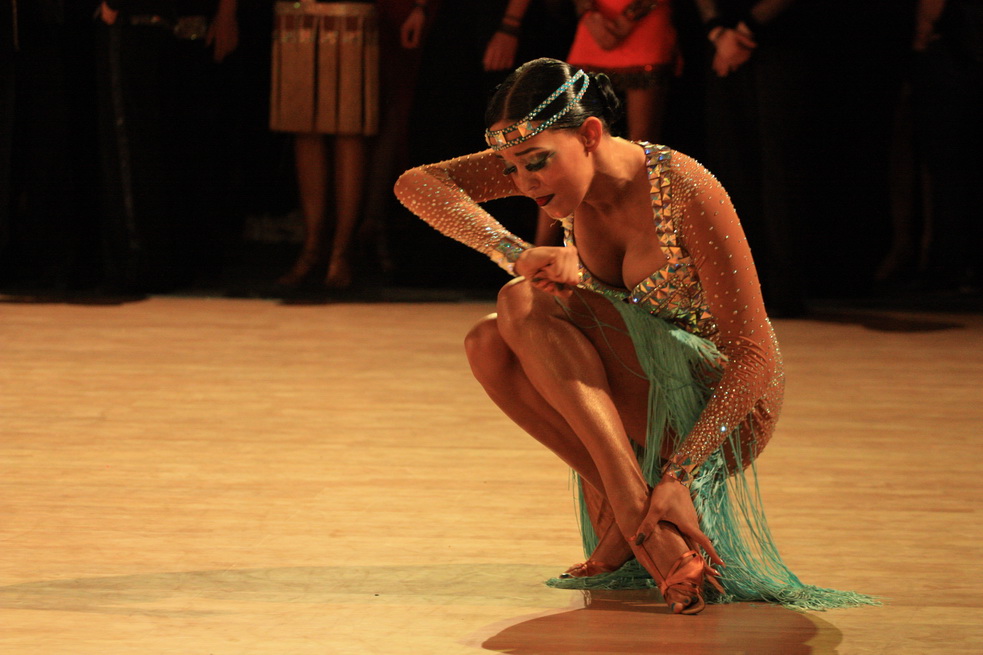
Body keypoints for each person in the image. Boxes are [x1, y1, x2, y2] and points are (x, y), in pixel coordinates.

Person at [395, 58, 876, 614]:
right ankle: (639, 515)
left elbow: (754, 355)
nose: (524, 184)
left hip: (724, 409)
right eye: (510, 170)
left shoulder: (687, 189)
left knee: (520, 300)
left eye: (536, 163)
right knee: (488, 344)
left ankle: (632, 515)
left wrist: (681, 472)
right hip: (641, 394)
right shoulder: (557, 177)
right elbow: (416, 184)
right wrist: (515, 252)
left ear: (589, 134)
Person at [269, 0, 379, 290]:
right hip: (298, 10)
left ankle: (341, 252)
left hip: (349, 10)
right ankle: (312, 247)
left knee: (349, 125)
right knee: (304, 124)